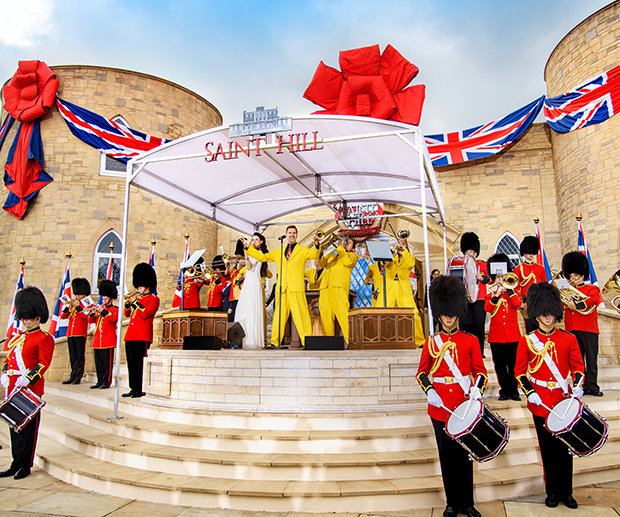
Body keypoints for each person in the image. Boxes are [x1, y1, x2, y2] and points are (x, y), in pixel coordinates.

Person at [416, 275, 487, 517]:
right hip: (441, 408)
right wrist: (430, 390)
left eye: (452, 314)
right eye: (445, 314)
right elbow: (421, 373)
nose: (448, 318)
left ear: (458, 313)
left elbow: (481, 372)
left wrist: (477, 389)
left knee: (466, 455)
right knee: (446, 456)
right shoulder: (431, 343)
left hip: (464, 405)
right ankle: (452, 503)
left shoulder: (470, 341)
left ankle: (468, 503)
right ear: (439, 314)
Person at [515, 282, 585, 509]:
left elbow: (578, 367)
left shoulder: (568, 338)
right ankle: (552, 492)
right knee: (548, 449)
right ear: (536, 314)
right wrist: (530, 392)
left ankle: (567, 492)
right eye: (544, 313)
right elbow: (519, 372)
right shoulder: (527, 341)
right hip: (541, 402)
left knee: (566, 448)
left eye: (551, 313)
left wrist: (578, 385)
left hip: (563, 401)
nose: (548, 317)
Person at [0, 286, 54, 480]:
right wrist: (4, 374)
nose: (24, 321)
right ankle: (15, 463)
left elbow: (43, 363)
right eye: (23, 318)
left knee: (28, 430)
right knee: (14, 427)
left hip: (29, 390)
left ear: (37, 318)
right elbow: (9, 360)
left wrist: (28, 378)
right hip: (13, 388)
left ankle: (25, 465)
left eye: (28, 318)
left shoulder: (44, 338)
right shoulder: (18, 338)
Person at [245, 225, 320, 348]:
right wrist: (249, 248)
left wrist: (317, 245)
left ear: (297, 235)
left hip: (296, 288)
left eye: (294, 233)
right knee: (278, 316)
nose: (292, 235)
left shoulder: (303, 250)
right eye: (290, 233)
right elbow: (263, 257)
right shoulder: (279, 251)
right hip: (282, 288)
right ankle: (275, 342)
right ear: (286, 235)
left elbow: (314, 255)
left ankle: (307, 341)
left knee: (301, 315)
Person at [562, 251, 603, 397]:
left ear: (582, 275)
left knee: (591, 359)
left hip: (588, 328)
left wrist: (577, 305)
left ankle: (592, 386)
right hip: (572, 328)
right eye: (570, 276)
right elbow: (562, 306)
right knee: (576, 360)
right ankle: (580, 385)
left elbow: (593, 300)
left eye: (575, 275)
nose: (572, 278)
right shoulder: (566, 291)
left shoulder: (592, 288)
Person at [484, 253, 522, 401]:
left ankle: (514, 390)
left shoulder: (513, 290)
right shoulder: (491, 291)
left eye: (503, 276)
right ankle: (504, 390)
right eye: (498, 276)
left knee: (514, 365)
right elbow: (488, 308)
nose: (501, 278)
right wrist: (496, 294)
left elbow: (517, 304)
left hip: (512, 334)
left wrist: (510, 290)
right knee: (499, 365)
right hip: (497, 335)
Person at [123, 263, 159, 398]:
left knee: (140, 364)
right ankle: (133, 388)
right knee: (131, 364)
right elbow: (127, 314)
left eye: (141, 286)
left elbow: (145, 314)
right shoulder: (138, 299)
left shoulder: (153, 299)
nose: (138, 288)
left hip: (142, 335)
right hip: (131, 335)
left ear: (147, 285)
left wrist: (136, 303)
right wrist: (128, 303)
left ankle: (140, 388)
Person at [318, 237, 358, 343]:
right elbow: (321, 263)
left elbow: (347, 262)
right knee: (325, 317)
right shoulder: (331, 255)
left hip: (339, 287)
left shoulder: (352, 256)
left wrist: (342, 248)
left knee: (343, 315)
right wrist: (319, 251)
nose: (345, 243)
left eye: (348, 242)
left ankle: (350, 342)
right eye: (345, 241)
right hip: (325, 287)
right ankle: (329, 343)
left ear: (352, 246)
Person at [235, 233, 270, 349]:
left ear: (261, 242)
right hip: (248, 282)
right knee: (244, 308)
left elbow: (249, 267)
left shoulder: (259, 253)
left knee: (251, 310)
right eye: (252, 240)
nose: (254, 242)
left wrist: (246, 252)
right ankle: (243, 338)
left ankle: (252, 339)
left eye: (256, 240)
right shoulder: (252, 252)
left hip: (254, 283)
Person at [459, 232, 490, 357]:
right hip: (466, 299)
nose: (469, 254)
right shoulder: (461, 265)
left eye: (471, 251)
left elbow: (489, 279)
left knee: (478, 326)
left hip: (480, 299)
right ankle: (467, 352)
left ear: (476, 253)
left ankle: (479, 352)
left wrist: (482, 278)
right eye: (467, 251)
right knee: (466, 326)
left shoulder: (483, 264)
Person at [391, 239, 425, 348]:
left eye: (402, 243)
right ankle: (387, 341)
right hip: (390, 288)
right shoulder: (391, 256)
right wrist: (393, 250)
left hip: (404, 289)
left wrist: (404, 250)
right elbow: (385, 264)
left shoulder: (407, 257)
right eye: (399, 243)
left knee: (414, 315)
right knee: (385, 315)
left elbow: (411, 263)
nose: (400, 245)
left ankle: (420, 341)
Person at [87, 279, 118, 389]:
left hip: (108, 340)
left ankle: (106, 381)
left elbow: (113, 319)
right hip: (97, 341)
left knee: (106, 364)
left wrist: (102, 311)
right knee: (98, 363)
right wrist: (92, 313)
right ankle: (99, 381)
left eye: (105, 298)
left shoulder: (114, 309)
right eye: (103, 298)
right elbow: (90, 321)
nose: (103, 300)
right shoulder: (100, 309)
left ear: (111, 298)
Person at [60, 277, 91, 385]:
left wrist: (78, 307)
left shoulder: (87, 303)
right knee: (73, 356)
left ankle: (78, 376)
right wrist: (67, 307)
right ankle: (72, 375)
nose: (77, 296)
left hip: (80, 333)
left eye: (79, 294)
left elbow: (85, 316)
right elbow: (63, 317)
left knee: (79, 356)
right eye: (77, 294)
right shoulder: (74, 303)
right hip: (71, 333)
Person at [514, 236, 548, 333]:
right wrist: (520, 301)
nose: (531, 254)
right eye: (529, 252)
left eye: (532, 252)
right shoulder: (518, 269)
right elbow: (516, 288)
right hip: (526, 301)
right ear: (524, 253)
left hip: (539, 301)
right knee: (529, 327)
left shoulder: (540, 268)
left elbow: (545, 286)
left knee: (540, 327)